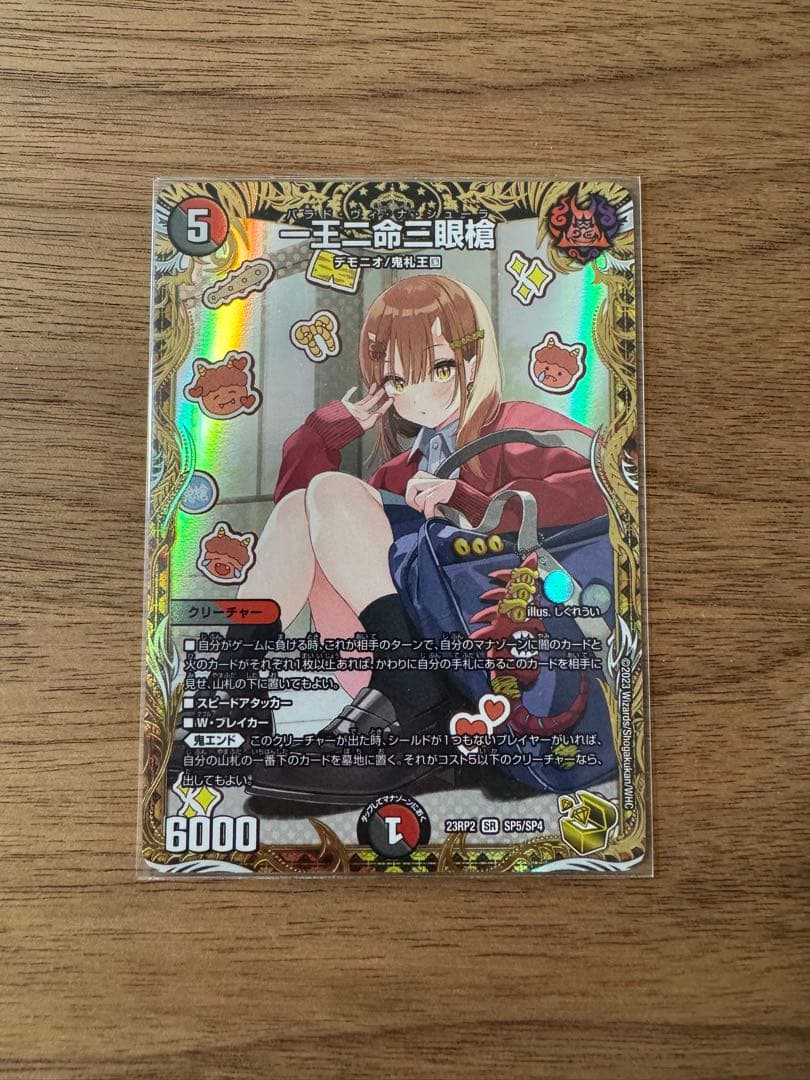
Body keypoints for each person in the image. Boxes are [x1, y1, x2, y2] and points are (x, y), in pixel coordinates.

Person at [239, 274, 604, 804]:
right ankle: (232, 689)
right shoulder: (399, 471)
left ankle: (411, 703)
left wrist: (476, 502)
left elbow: (605, 484)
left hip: (492, 655)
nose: (416, 392)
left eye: (438, 368)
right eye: (396, 378)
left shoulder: (517, 428)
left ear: (472, 362)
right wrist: (324, 433)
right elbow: (297, 518)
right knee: (309, 503)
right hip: (401, 661)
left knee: (334, 494)